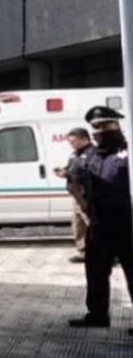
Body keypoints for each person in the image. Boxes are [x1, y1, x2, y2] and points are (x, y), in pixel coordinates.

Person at [69, 106, 133, 329]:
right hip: (99, 224)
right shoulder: (90, 155)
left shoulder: (127, 153)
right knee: (95, 271)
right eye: (96, 128)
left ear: (116, 126)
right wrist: (84, 206)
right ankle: (97, 315)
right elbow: (73, 181)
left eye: (105, 126)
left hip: (127, 224)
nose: (99, 132)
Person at [54, 127, 94, 263]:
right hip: (76, 195)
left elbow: (89, 173)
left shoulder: (92, 154)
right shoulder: (74, 154)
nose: (71, 144)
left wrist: (69, 174)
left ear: (85, 139)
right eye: (70, 142)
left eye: (74, 142)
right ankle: (84, 253)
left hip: (87, 196)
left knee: (94, 225)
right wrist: (63, 171)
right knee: (78, 226)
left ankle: (108, 254)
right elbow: (70, 168)